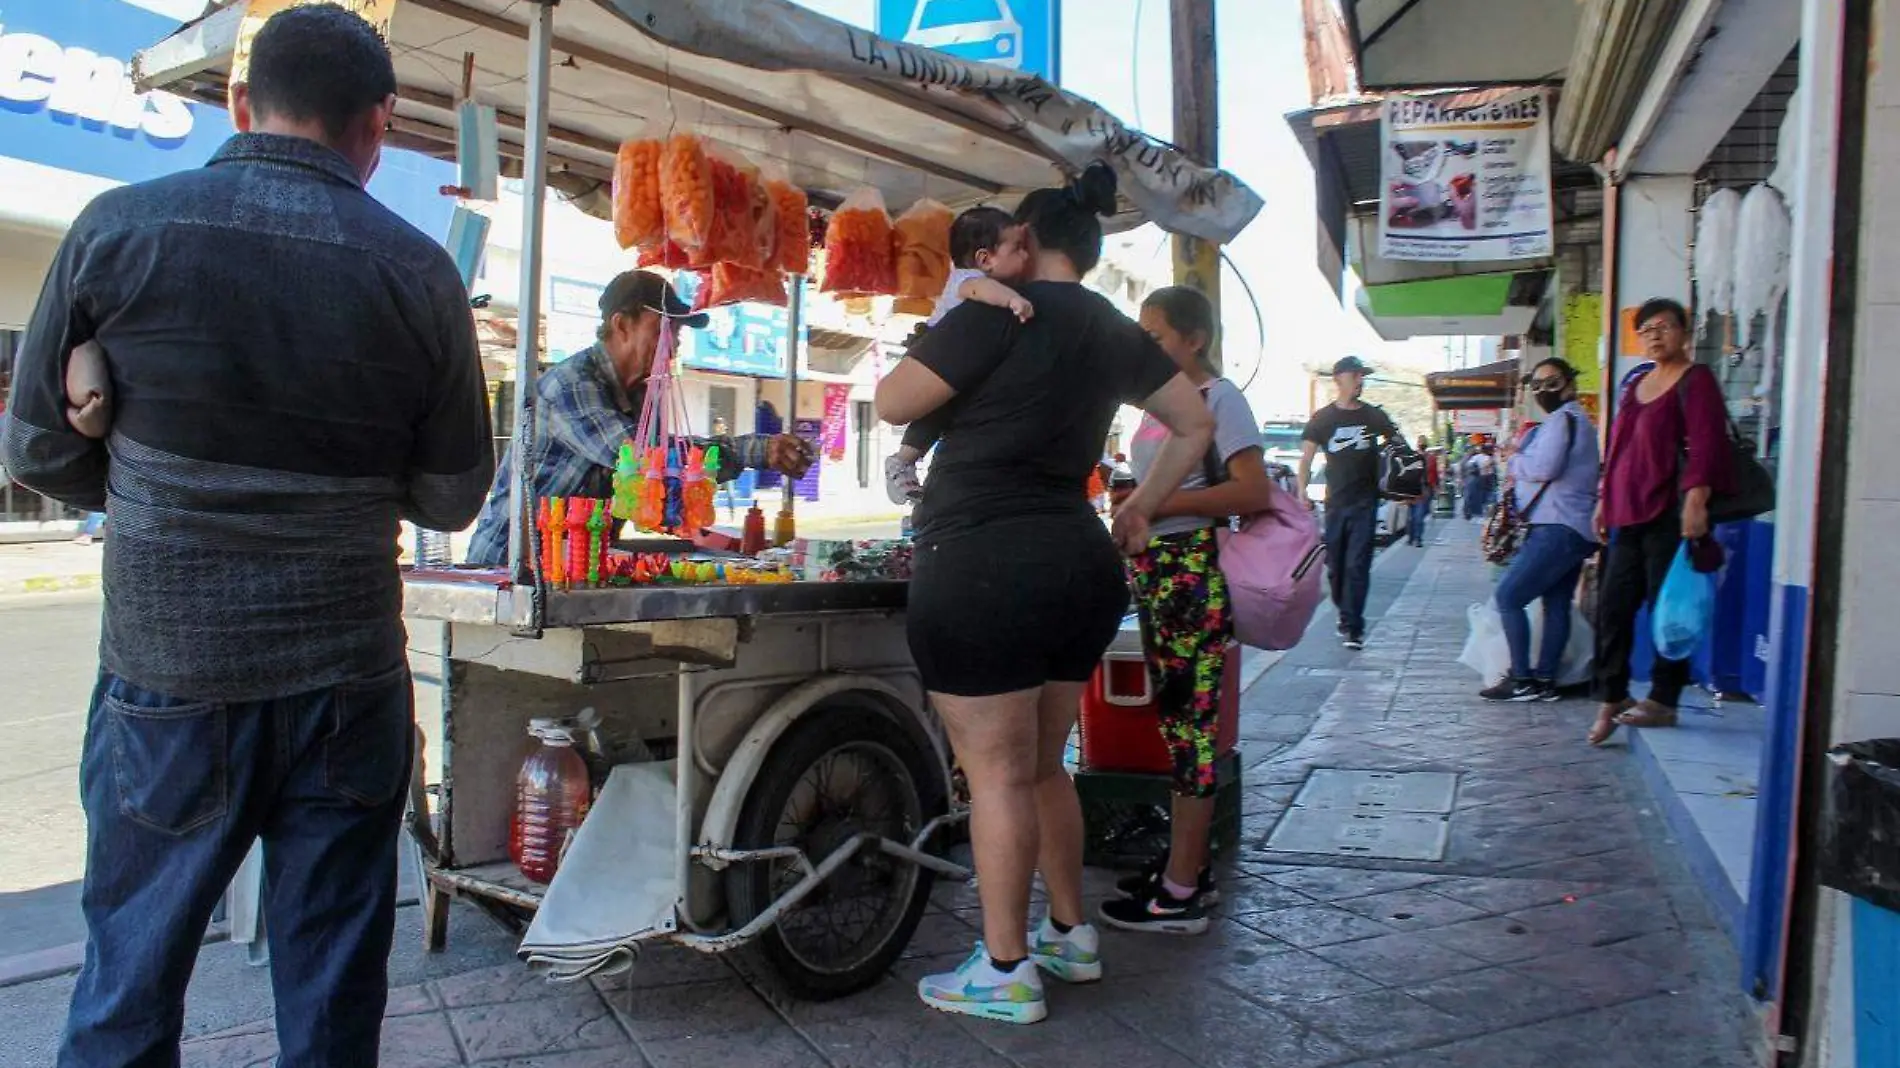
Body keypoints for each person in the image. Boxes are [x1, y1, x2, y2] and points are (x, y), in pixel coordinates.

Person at [0, 8, 495, 1064]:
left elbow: (36, 454)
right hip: (345, 683)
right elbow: (455, 497)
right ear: (379, 125)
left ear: (239, 104)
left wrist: (133, 469)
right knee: (329, 987)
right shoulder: (417, 274)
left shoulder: (116, 229)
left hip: (171, 677)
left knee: (129, 980)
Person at [876, 164, 1214, 1024]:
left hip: (984, 562)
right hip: (1078, 563)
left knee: (994, 774)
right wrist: (1140, 507)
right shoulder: (1110, 328)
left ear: (1022, 242)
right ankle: (1070, 934)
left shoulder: (994, 311)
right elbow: (1195, 425)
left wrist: (964, 304)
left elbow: (891, 402)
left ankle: (1004, 968)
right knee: (1040, 763)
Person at [1099, 285, 1272, 935]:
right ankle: (1185, 869)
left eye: (1157, 335)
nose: (1146, 346)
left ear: (1193, 339)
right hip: (1156, 572)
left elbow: (1251, 489)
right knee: (1175, 728)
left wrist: (1160, 505)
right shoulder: (1155, 406)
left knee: (1192, 731)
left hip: (1192, 572)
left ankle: (1180, 894)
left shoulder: (1219, 400)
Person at [465, 270, 813, 565]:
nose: (673, 345)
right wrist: (754, 450)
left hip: (572, 567)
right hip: (506, 568)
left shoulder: (644, 396)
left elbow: (663, 482)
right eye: (664, 330)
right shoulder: (571, 386)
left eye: (676, 334)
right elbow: (645, 460)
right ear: (622, 325)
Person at [1590, 297, 1733, 745]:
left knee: (1667, 609)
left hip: (1668, 514)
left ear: (1684, 331)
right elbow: (1618, 448)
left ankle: (1663, 699)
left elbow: (1708, 444)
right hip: (1624, 513)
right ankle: (1611, 696)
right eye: (1646, 328)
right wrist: (1603, 499)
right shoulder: (1636, 384)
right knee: (1612, 609)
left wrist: (1697, 500)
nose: (1655, 334)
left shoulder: (1696, 380)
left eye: (1664, 326)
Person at [884, 207, 1035, 504]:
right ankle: (901, 460)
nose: (1026, 256)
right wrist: (1013, 300)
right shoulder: (967, 279)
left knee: (946, 410)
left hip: (944, 348)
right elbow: (980, 290)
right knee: (937, 411)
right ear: (984, 259)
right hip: (933, 346)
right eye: (1017, 248)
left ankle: (907, 460)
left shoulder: (985, 281)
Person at [1480, 358, 1601, 703]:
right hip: (1574, 528)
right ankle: (1546, 679)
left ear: (1569, 383)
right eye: (1537, 384)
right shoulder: (1579, 420)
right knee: (1557, 603)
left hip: (1556, 527)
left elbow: (1544, 467)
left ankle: (1521, 678)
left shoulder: (1562, 420)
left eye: (1552, 382)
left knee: (1508, 596)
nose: (1544, 391)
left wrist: (1513, 460)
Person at [1300, 356, 1400, 650]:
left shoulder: (1374, 417)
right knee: (1336, 567)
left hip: (1365, 503)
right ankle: (1345, 614)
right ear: (1339, 379)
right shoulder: (1323, 419)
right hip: (1335, 504)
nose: (1360, 381)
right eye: (1355, 375)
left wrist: (1405, 480)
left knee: (1358, 564)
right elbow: (1306, 458)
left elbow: (1398, 446)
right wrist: (1301, 492)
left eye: (1362, 376)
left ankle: (1353, 626)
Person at [1406, 434, 1438, 547]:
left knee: (1416, 515)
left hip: (1421, 489)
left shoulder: (1429, 457)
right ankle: (1414, 538)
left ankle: (1414, 538)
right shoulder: (1426, 457)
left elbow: (1434, 475)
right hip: (1418, 489)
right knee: (1415, 515)